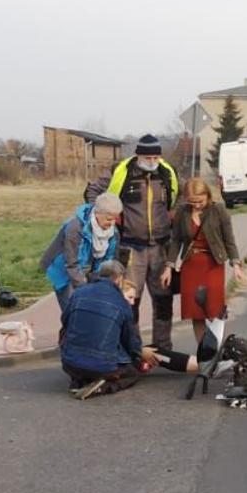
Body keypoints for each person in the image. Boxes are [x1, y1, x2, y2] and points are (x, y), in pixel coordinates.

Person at [86, 134, 178, 350]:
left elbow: (179, 198)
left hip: (161, 248)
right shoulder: (121, 173)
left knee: (164, 300)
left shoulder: (166, 174)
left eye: (156, 157)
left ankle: (163, 349)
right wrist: (102, 215)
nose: (153, 161)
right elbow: (92, 192)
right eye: (149, 157)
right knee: (130, 300)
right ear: (138, 155)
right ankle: (134, 349)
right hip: (130, 247)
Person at [60, 262, 199, 400]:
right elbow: (132, 342)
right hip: (102, 365)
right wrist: (140, 351)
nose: (132, 302)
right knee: (135, 369)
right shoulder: (119, 302)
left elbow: (65, 323)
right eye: (130, 298)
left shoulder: (78, 293)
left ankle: (80, 380)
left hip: (69, 363)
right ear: (119, 278)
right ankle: (104, 386)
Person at [165, 178, 247, 349]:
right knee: (196, 312)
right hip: (191, 265)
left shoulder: (218, 210)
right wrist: (169, 266)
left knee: (215, 310)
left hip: (213, 264)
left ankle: (217, 350)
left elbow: (229, 240)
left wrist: (236, 265)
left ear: (207, 196)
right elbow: (176, 240)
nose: (196, 205)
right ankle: (205, 353)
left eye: (200, 201)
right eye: (192, 201)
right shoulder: (182, 212)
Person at [41, 191, 123, 306]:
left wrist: (100, 284)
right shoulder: (75, 228)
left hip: (88, 266)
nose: (112, 223)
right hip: (65, 269)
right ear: (98, 213)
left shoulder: (113, 233)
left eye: (115, 219)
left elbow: (109, 261)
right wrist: (86, 290)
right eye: (109, 219)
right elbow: (72, 264)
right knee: (73, 307)